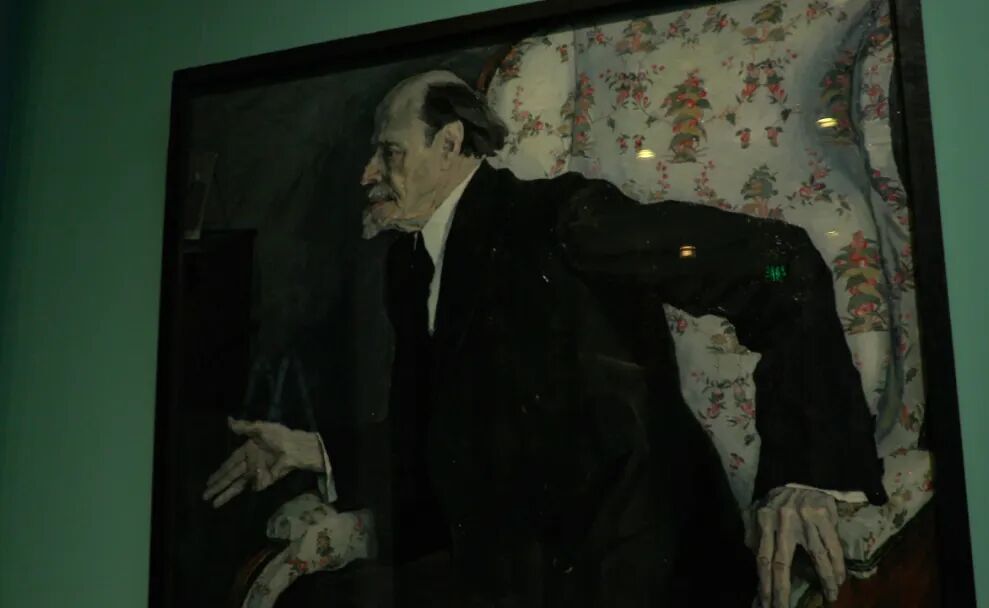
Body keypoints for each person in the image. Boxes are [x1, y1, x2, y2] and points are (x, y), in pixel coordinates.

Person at [203, 70, 887, 608]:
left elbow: (776, 261)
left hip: (632, 573)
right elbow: (434, 433)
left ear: (450, 145)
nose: (367, 175)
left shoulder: (561, 221)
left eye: (388, 152)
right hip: (505, 571)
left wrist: (807, 475)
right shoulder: (409, 267)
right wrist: (312, 450)